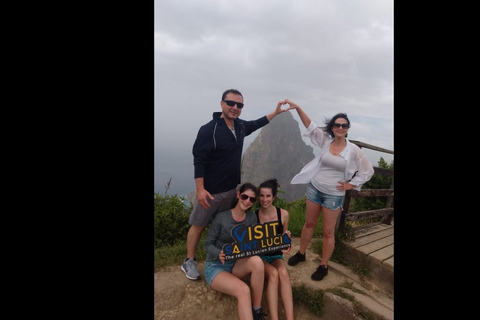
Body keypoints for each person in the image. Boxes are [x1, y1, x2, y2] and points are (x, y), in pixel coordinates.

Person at [182, 88, 289, 281]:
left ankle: (228, 256)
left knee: (229, 224)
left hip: (232, 191)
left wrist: (275, 112)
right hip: (211, 192)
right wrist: (200, 189)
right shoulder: (209, 129)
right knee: (198, 225)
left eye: (239, 105)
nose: (235, 108)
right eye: (231, 103)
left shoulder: (239, 127)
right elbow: (199, 159)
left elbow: (257, 123)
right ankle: (189, 260)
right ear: (221, 103)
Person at [284, 99, 374, 281]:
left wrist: (351, 184)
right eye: (337, 125)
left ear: (348, 128)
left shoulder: (353, 150)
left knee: (327, 232)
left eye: (344, 125)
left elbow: (368, 170)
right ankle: (301, 253)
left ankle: (324, 265)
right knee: (309, 224)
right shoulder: (326, 141)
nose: (340, 128)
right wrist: (298, 108)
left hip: (334, 195)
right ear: (332, 127)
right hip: (315, 188)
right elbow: (311, 126)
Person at [204, 182, 266, 320]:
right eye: (245, 196)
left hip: (235, 264)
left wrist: (282, 241)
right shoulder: (222, 217)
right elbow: (208, 244)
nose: (247, 201)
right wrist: (218, 253)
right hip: (216, 266)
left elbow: (253, 243)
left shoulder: (251, 218)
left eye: (252, 199)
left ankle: (257, 310)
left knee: (257, 261)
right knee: (243, 290)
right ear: (238, 195)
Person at [255, 178, 294, 320]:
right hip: (260, 258)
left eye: (268, 196)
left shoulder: (283, 214)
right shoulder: (254, 217)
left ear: (274, 197)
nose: (264, 199)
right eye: (261, 196)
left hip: (276, 256)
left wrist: (287, 240)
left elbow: (284, 241)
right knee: (274, 274)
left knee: (283, 273)